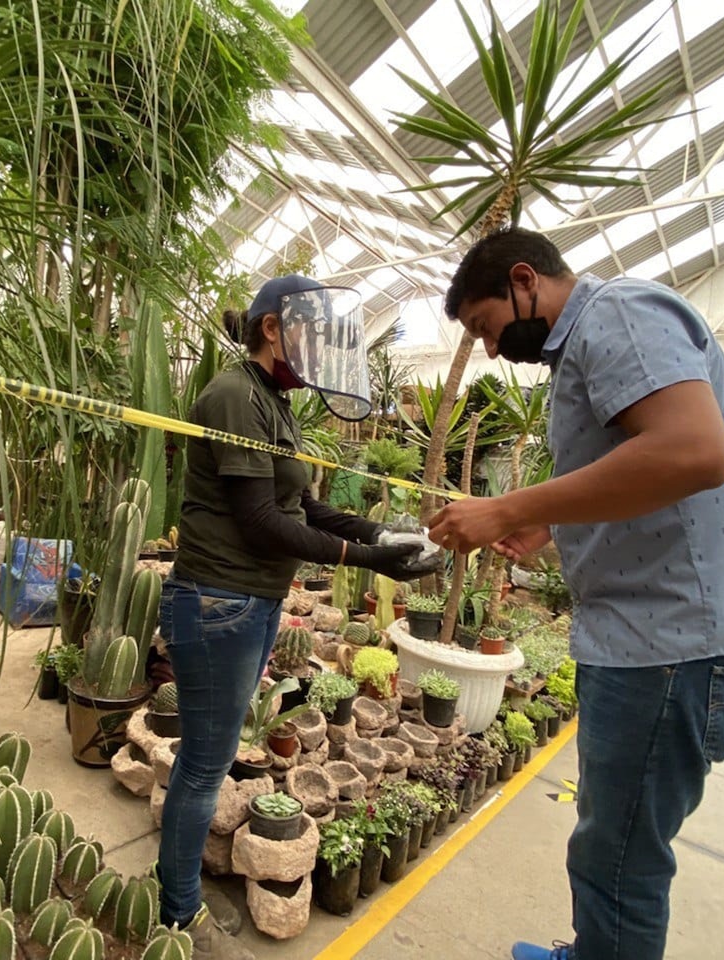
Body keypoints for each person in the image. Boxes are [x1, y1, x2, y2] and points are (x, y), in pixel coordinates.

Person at [425, 227, 724, 960]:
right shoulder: (591, 344)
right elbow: (647, 481)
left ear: (524, 281)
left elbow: (692, 451)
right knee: (610, 844)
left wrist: (511, 507)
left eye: (485, 327)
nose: (491, 348)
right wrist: (553, 526)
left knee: (620, 862)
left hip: (677, 646)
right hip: (661, 642)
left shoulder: (616, 315)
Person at [156, 275, 441, 959]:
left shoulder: (274, 404)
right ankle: (178, 914)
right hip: (219, 600)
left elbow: (301, 509)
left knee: (211, 758)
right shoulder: (233, 395)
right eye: (307, 331)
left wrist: (379, 534)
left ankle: (178, 891)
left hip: (248, 603)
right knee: (204, 766)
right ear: (272, 329)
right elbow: (258, 524)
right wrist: (367, 560)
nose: (315, 347)